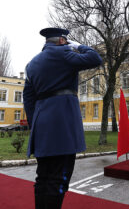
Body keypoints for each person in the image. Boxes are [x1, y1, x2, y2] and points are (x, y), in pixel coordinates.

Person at [23, 27, 102, 209]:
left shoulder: (31, 64)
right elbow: (95, 58)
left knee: (43, 176)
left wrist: (36, 120)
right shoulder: (64, 53)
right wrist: (79, 45)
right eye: (66, 41)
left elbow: (28, 98)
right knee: (59, 177)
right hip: (63, 122)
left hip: (41, 122)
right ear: (61, 40)